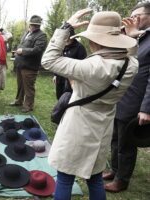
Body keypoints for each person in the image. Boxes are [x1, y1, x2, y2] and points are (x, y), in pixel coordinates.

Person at [42, 9, 138, 200]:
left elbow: (49, 60)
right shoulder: (131, 64)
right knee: (94, 178)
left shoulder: (91, 66)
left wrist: (65, 28)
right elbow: (131, 54)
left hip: (78, 125)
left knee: (65, 177)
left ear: (95, 40)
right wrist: (132, 39)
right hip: (103, 125)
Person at [104, 2, 150, 192]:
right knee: (115, 137)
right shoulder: (138, 36)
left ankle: (122, 180)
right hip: (121, 96)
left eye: (137, 15)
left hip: (135, 100)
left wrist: (146, 108)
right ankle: (115, 170)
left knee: (126, 142)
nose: (133, 19)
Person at [9, 15, 47, 113]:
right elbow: (22, 45)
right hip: (20, 64)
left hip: (30, 66)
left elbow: (38, 50)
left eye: (36, 25)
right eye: (33, 24)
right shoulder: (27, 32)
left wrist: (23, 51)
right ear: (30, 24)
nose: (34, 26)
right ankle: (19, 101)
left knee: (28, 87)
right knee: (20, 85)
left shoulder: (41, 35)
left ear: (39, 26)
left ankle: (28, 106)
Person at [53, 30, 87, 100]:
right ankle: (61, 109)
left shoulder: (79, 47)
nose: (67, 40)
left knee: (69, 98)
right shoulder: (60, 46)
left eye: (69, 38)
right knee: (59, 97)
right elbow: (56, 61)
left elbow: (83, 64)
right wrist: (55, 75)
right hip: (60, 76)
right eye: (65, 38)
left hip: (72, 78)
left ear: (73, 38)